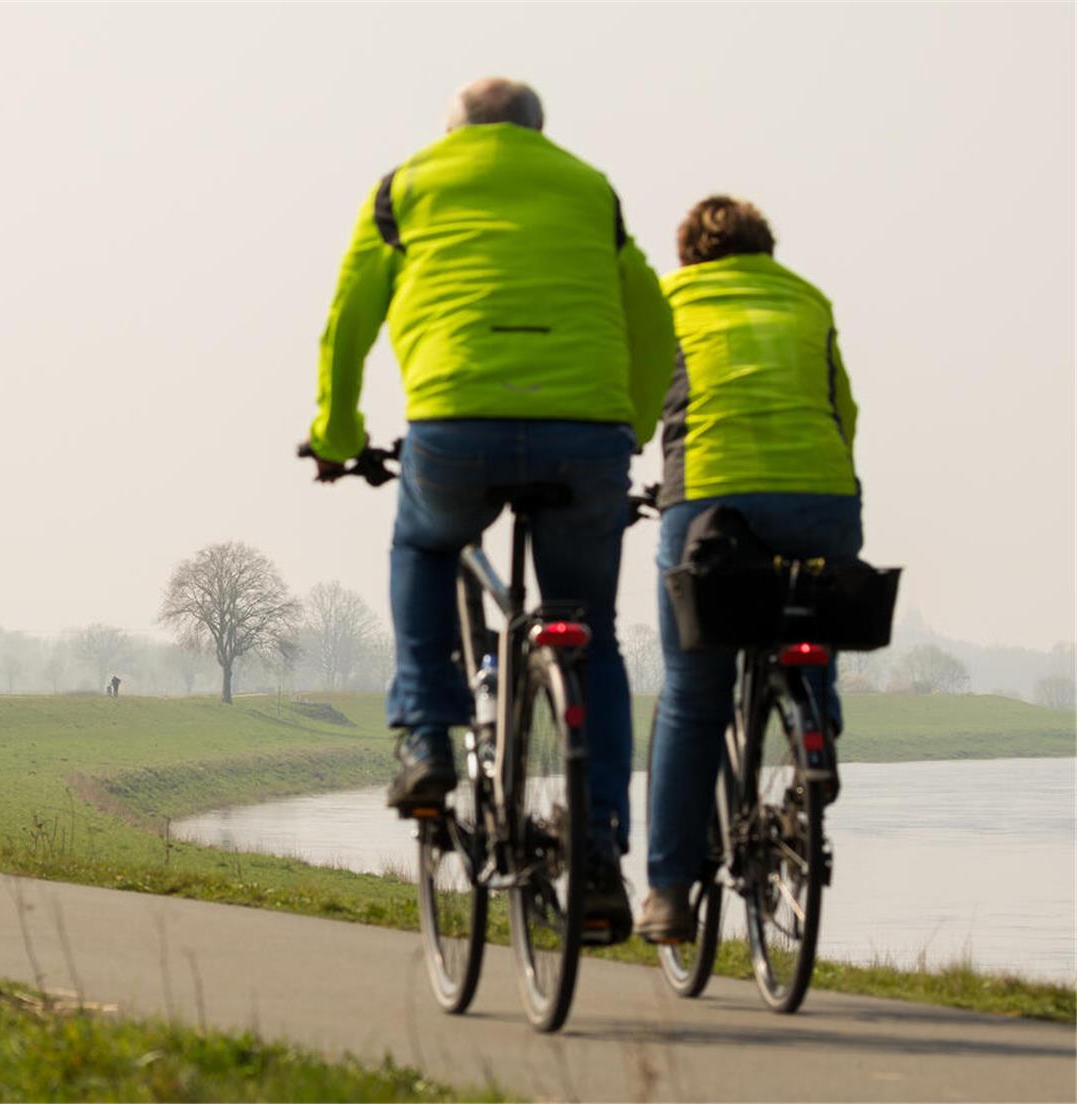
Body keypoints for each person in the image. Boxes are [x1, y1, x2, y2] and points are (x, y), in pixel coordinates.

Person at [306, 77, 674, 938]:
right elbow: (652, 318)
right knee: (592, 637)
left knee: (427, 547)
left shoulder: (406, 186)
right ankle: (598, 852)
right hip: (585, 432)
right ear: (538, 132)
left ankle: (428, 736)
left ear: (454, 131)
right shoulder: (590, 188)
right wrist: (632, 423)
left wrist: (336, 433)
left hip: (456, 422)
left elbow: (350, 315)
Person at [637, 196, 863, 942]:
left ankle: (669, 894)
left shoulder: (670, 299)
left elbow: (639, 399)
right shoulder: (809, 299)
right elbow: (843, 408)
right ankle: (814, 735)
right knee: (808, 615)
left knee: (694, 694)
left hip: (708, 498)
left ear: (688, 256)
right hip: (821, 496)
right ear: (766, 250)